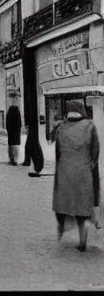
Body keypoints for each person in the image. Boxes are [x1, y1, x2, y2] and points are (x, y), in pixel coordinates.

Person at [53, 100, 99, 252]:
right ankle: (82, 240)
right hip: (83, 173)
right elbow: (95, 152)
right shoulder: (90, 128)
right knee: (82, 207)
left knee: (62, 203)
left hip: (64, 172)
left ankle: (61, 229)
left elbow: (57, 153)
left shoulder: (61, 129)